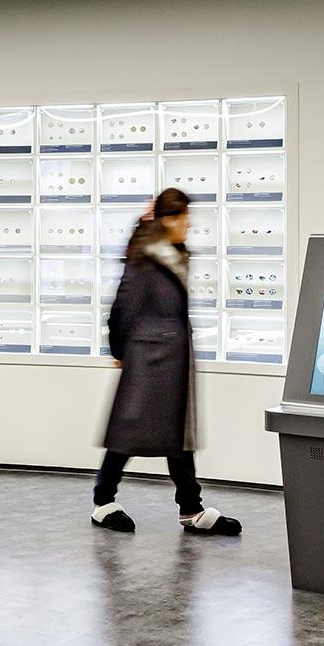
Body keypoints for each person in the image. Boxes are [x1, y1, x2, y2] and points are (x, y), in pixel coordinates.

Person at [91, 187, 242, 536]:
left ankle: (191, 507)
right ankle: (103, 501)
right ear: (169, 219)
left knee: (176, 436)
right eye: (185, 219)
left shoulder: (171, 253)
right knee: (129, 434)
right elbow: (121, 308)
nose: (189, 226)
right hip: (148, 359)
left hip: (169, 359)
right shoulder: (146, 257)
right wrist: (118, 351)